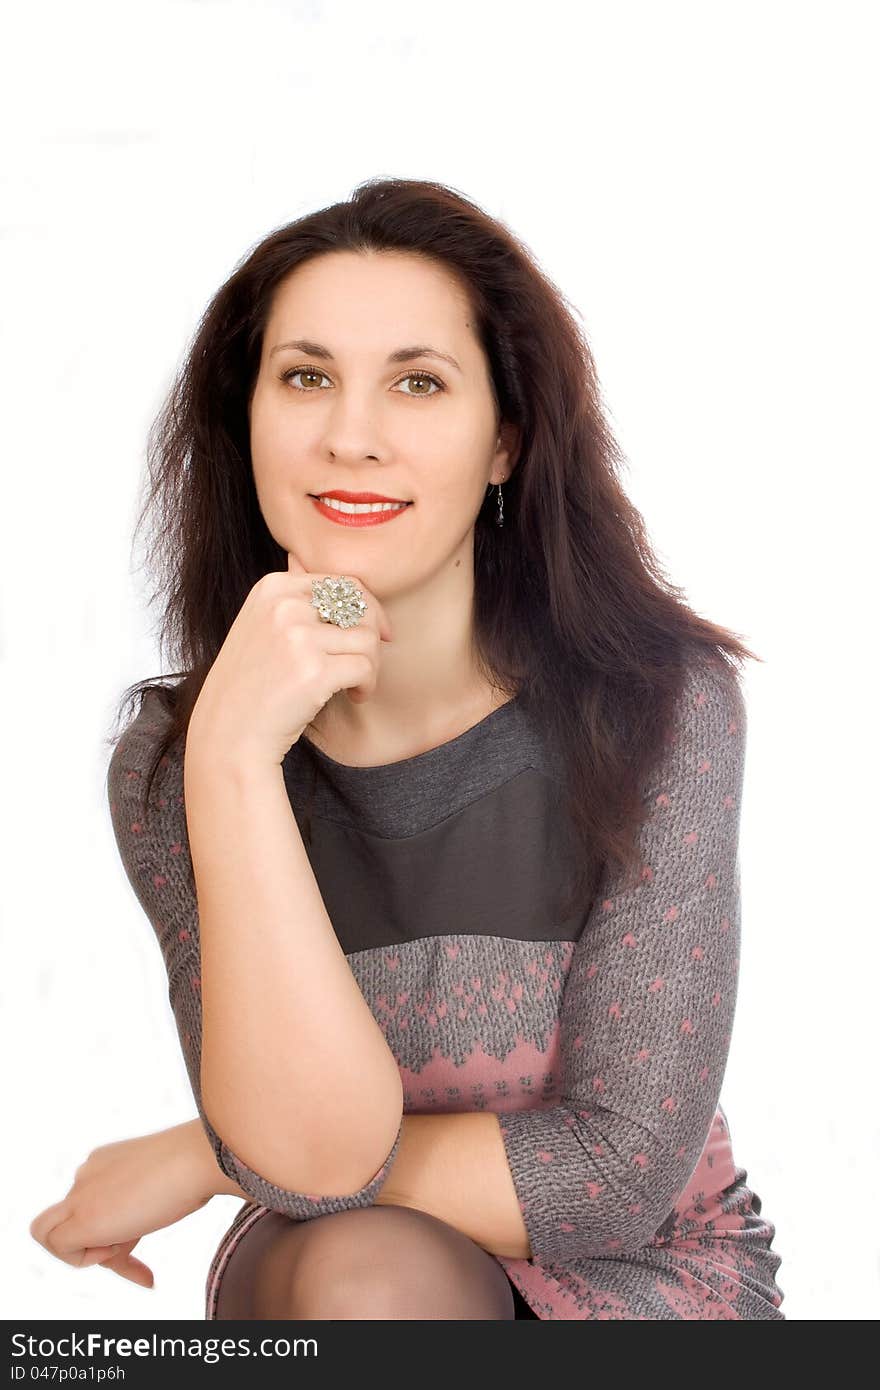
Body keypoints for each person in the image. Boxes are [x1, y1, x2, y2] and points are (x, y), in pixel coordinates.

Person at [33, 177, 785, 1319]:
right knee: (362, 1274)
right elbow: (308, 1163)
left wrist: (200, 1152)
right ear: (246, 422)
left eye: (418, 383)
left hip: (651, 1276)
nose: (350, 434)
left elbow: (608, 1179)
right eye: (305, 377)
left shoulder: (658, 707)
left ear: (504, 443)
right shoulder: (174, 760)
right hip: (347, 1269)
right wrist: (233, 761)